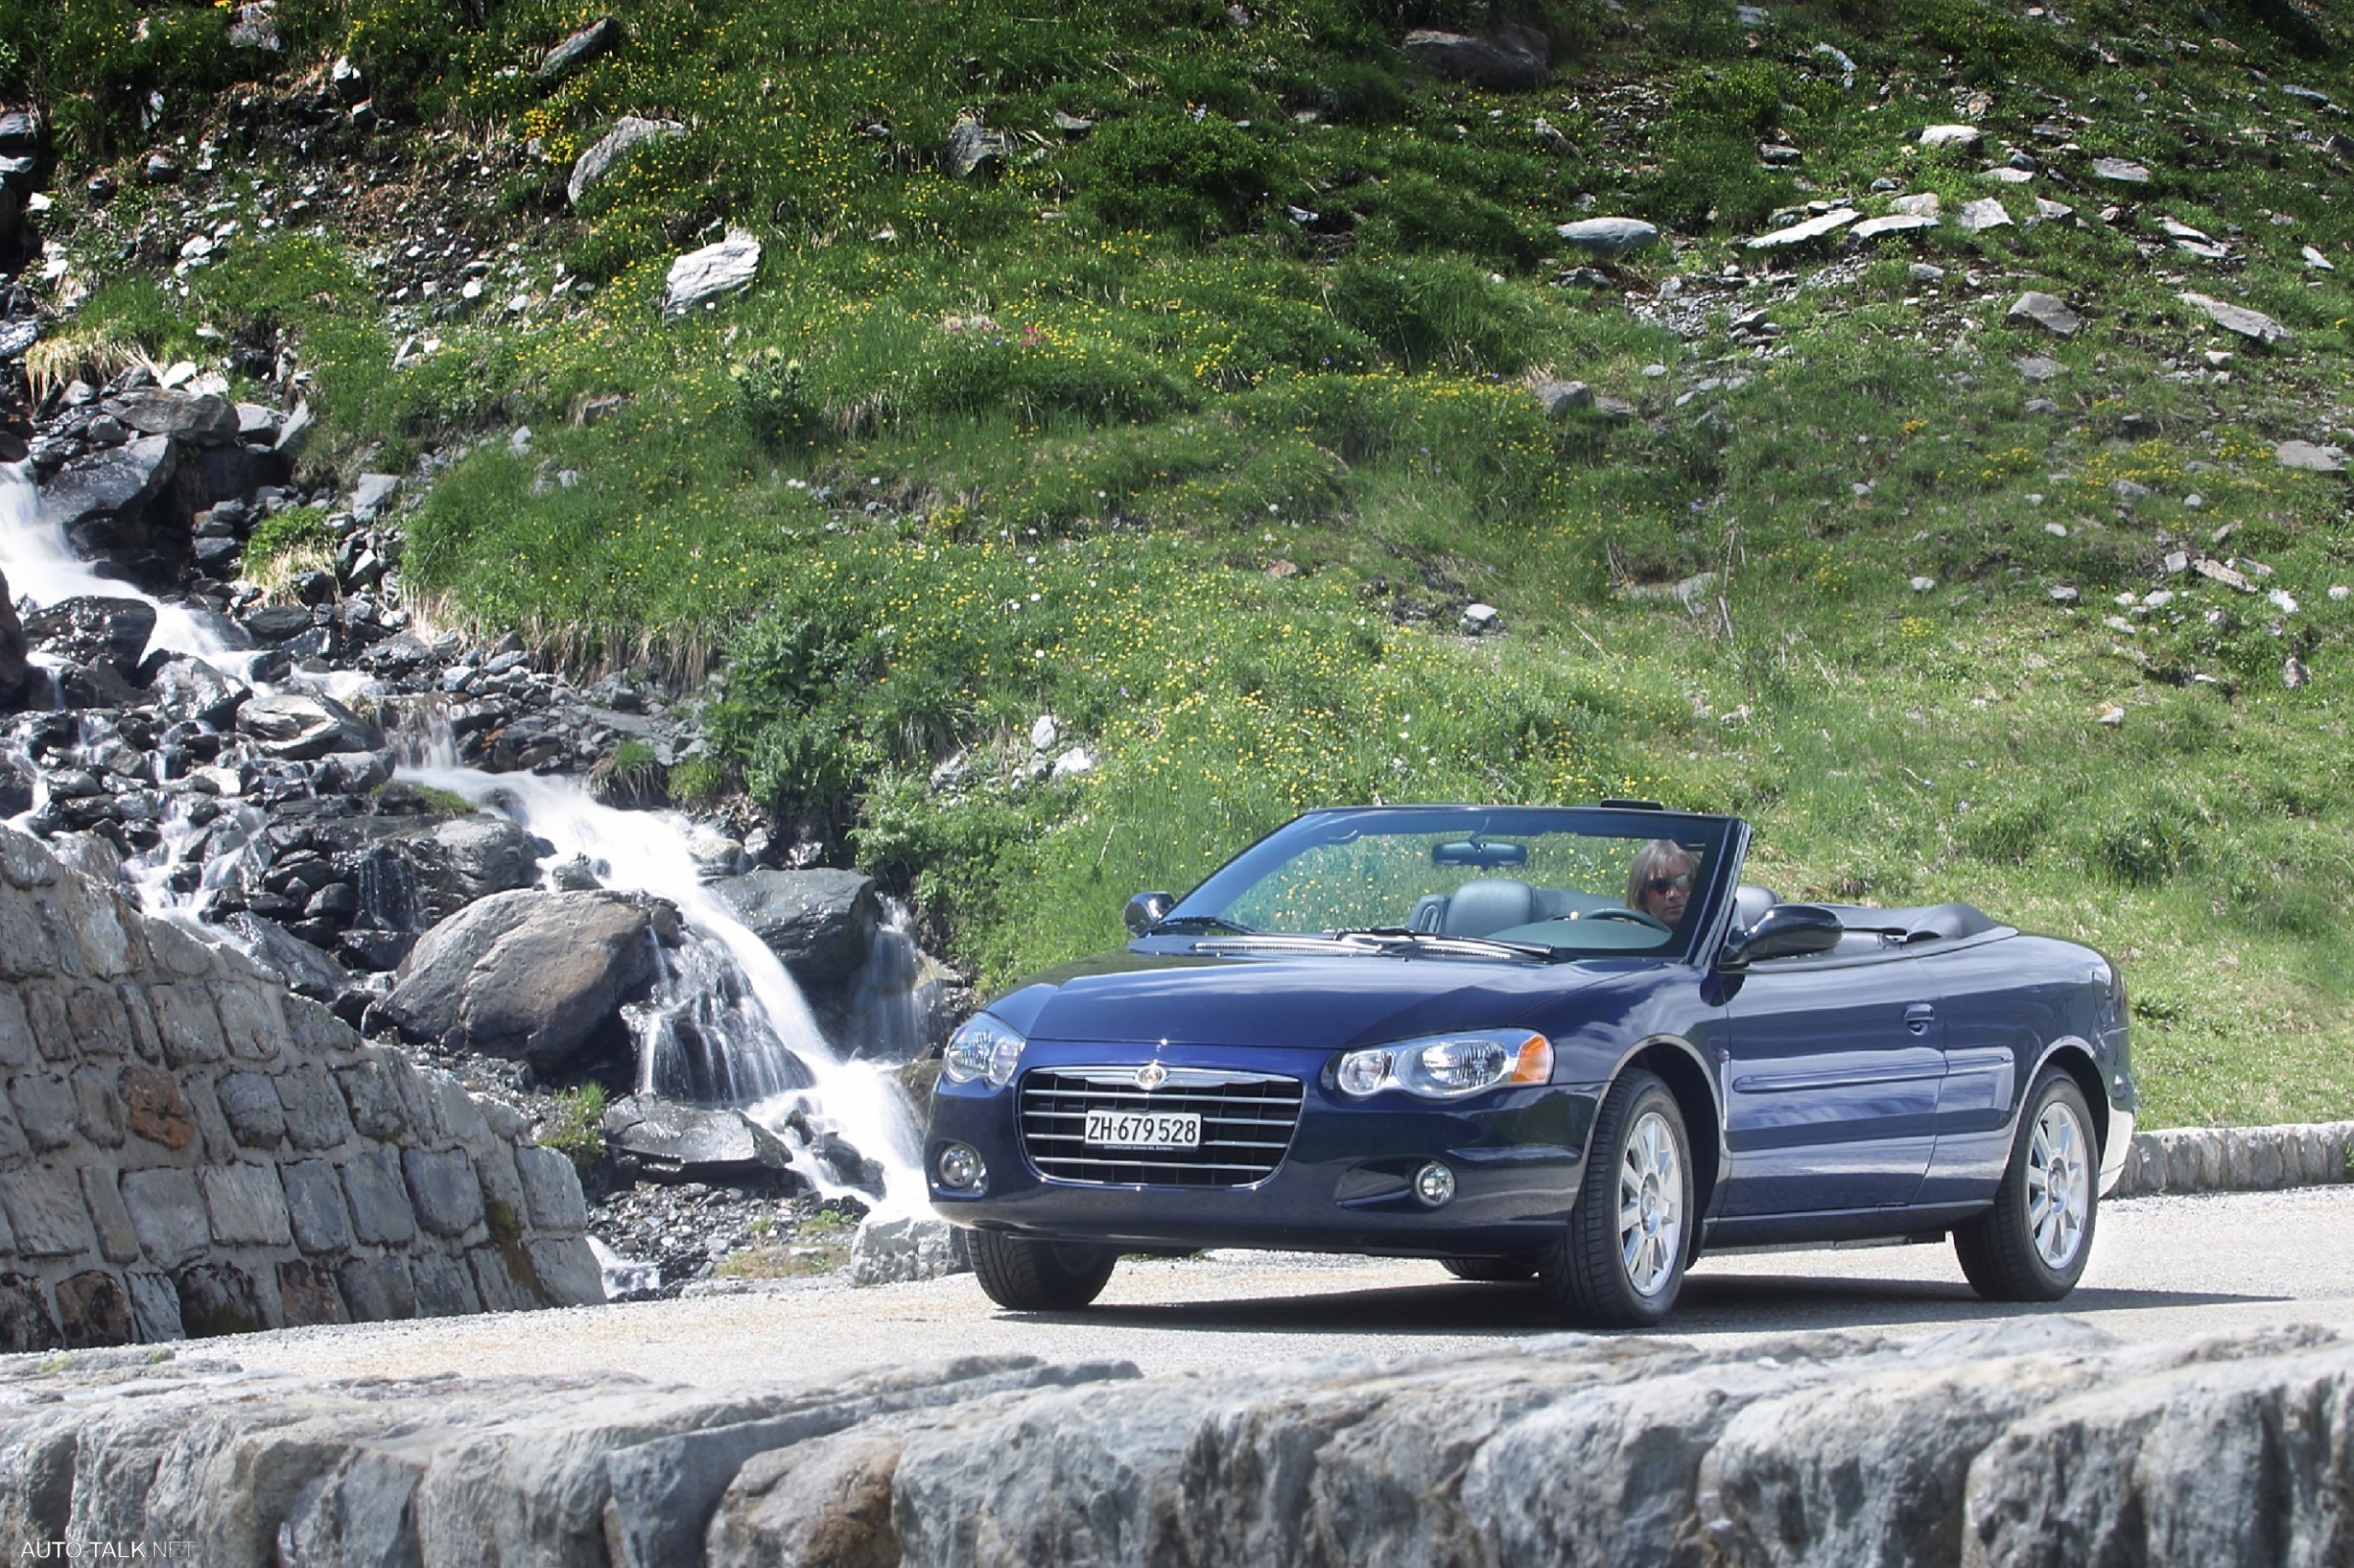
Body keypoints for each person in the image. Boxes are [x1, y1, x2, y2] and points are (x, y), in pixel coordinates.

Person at [1624, 839, 1699, 928]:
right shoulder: (1632, 939)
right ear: (1642, 898)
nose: (1673, 894)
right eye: (1660, 886)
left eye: (1684, 881)